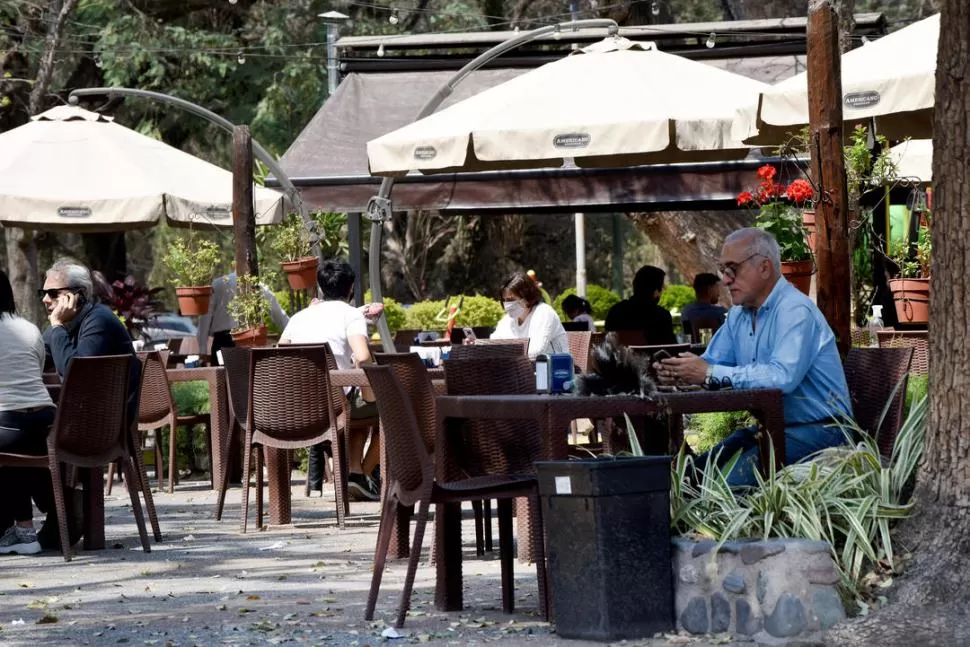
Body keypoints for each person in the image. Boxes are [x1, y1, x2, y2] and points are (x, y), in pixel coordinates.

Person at [655, 228, 851, 487]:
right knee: (691, 477)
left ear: (765, 268)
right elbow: (713, 364)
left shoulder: (795, 311)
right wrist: (680, 370)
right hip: (775, 429)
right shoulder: (740, 314)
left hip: (823, 432)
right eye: (723, 270)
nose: (725, 280)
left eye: (732, 269)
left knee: (722, 488)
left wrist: (708, 373)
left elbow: (781, 379)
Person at [41, 258, 141, 549]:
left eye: (53, 293)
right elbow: (41, 361)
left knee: (30, 437)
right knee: (22, 431)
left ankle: (65, 516)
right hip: (85, 419)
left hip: (107, 427)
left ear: (77, 295)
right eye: (43, 293)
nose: (46, 299)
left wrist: (57, 327)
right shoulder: (69, 326)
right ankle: (59, 516)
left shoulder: (99, 321)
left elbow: (75, 372)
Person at [278, 260, 380, 501]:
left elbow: (280, 351)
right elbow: (363, 357)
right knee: (391, 410)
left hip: (297, 410)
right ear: (351, 287)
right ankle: (361, 473)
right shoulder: (352, 315)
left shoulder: (298, 318)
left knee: (359, 411)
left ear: (321, 288)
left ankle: (355, 472)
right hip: (336, 407)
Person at [0, 270, 56, 555]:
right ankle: (23, 531)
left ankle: (12, 530)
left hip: (8, 423)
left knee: (9, 447)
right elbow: (37, 370)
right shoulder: (30, 328)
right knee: (14, 457)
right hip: (45, 421)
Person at [197, 270, 290, 366]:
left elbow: (205, 317)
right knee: (249, 378)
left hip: (223, 343)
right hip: (250, 340)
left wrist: (202, 349)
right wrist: (292, 332)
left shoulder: (218, 284)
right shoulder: (258, 285)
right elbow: (277, 313)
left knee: (222, 377)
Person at [490, 272, 568, 359]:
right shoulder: (507, 320)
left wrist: (504, 351)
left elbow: (536, 352)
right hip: (521, 370)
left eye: (511, 299)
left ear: (527, 297)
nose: (507, 304)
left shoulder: (544, 313)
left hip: (555, 369)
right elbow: (493, 344)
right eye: (504, 300)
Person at [604, 265, 676, 345]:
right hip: (654, 357)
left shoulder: (615, 312)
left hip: (621, 357)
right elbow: (671, 347)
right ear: (656, 292)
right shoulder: (662, 316)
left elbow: (608, 345)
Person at [680, 273, 728, 338]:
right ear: (710, 289)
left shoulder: (687, 311)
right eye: (717, 288)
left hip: (693, 348)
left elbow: (686, 336)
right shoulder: (721, 313)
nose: (719, 294)